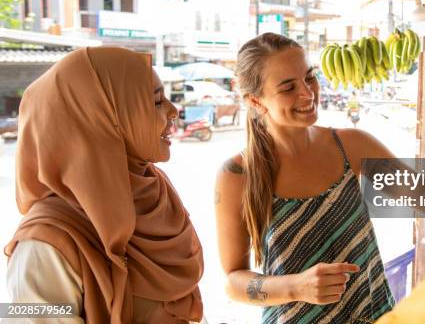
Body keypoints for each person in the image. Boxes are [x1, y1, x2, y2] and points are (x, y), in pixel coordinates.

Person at [4, 47, 204, 324]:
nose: (173, 110)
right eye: (157, 102)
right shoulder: (45, 244)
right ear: (101, 119)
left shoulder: (156, 195)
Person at [215, 33, 395, 323]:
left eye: (309, 77)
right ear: (256, 101)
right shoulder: (236, 175)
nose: (308, 93)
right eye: (288, 87)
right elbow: (233, 281)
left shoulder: (353, 145)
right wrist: (296, 287)